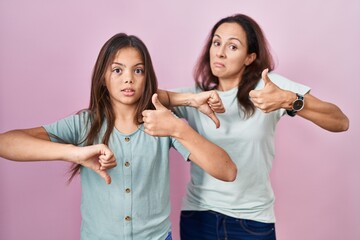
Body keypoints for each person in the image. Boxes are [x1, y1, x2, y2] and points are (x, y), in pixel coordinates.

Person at [0, 33, 237, 240]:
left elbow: (227, 171)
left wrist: (178, 128)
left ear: (147, 78)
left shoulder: (163, 122)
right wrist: (76, 153)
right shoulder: (85, 124)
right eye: (117, 70)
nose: (128, 78)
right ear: (103, 77)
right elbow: (6, 143)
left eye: (138, 70)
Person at [155, 14, 349, 239]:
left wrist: (288, 99)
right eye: (216, 43)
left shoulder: (269, 88)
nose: (220, 52)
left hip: (253, 220)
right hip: (199, 216)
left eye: (233, 46)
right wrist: (187, 99)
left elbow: (340, 121)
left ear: (250, 57)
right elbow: (139, 96)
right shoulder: (195, 96)